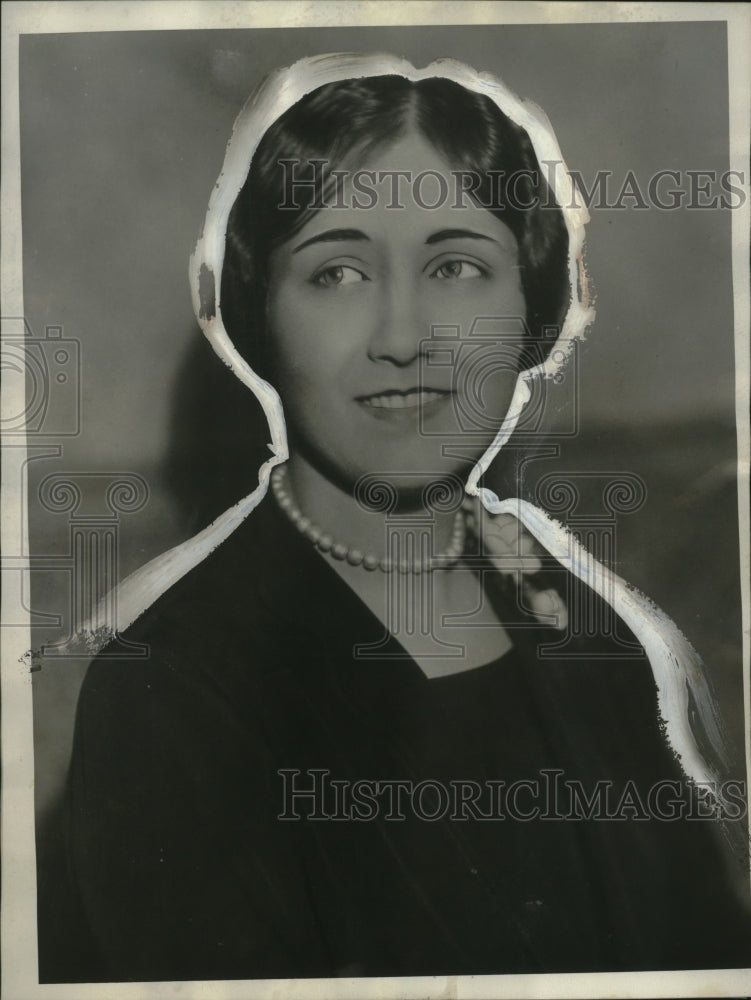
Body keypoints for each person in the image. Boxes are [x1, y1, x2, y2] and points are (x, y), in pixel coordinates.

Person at [56, 54, 750, 982]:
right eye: (336, 272)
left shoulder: (578, 622)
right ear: (259, 313)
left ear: (532, 306)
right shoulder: (173, 696)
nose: (400, 337)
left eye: (456, 265)